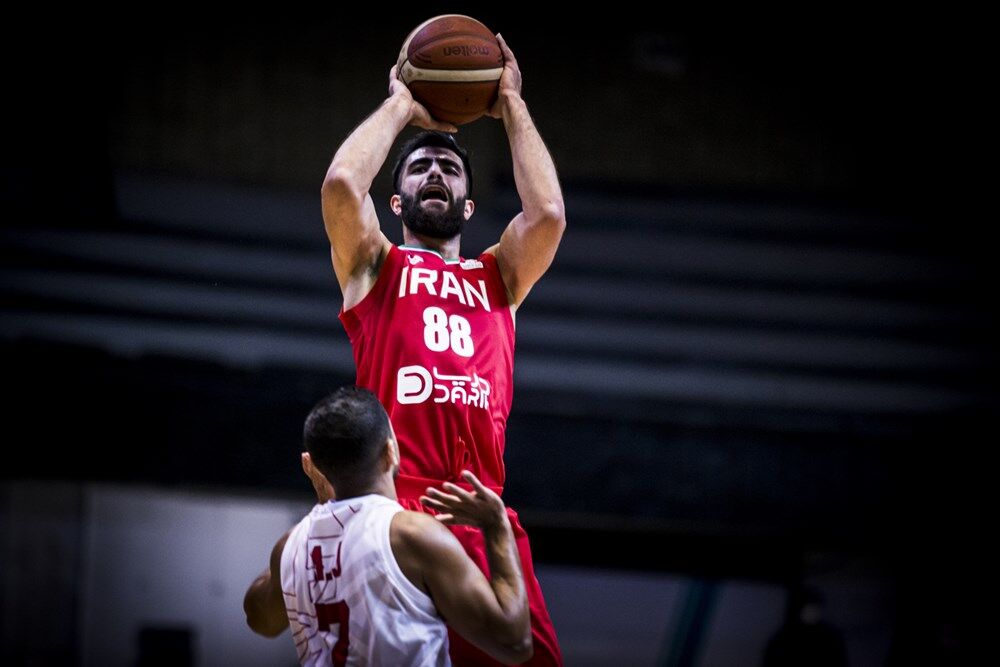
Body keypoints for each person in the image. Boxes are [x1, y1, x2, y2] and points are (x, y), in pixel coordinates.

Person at [321, 32, 565, 666]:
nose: (436, 173)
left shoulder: (498, 277)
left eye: (450, 169)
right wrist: (402, 104)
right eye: (421, 167)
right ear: (396, 200)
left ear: (469, 204)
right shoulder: (375, 266)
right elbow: (343, 184)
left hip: (483, 513)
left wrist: (511, 104)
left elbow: (548, 215)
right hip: (395, 512)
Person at [243, 386, 532, 666]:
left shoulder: (292, 545)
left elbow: (260, 621)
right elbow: (514, 645)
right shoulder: (412, 535)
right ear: (390, 452)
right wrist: (496, 525)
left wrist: (320, 516)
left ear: (314, 466)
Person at [761, 586, 847, 667]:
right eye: (810, 608)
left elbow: (840, 661)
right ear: (799, 609)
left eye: (816, 608)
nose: (814, 612)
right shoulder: (783, 638)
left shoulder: (830, 637)